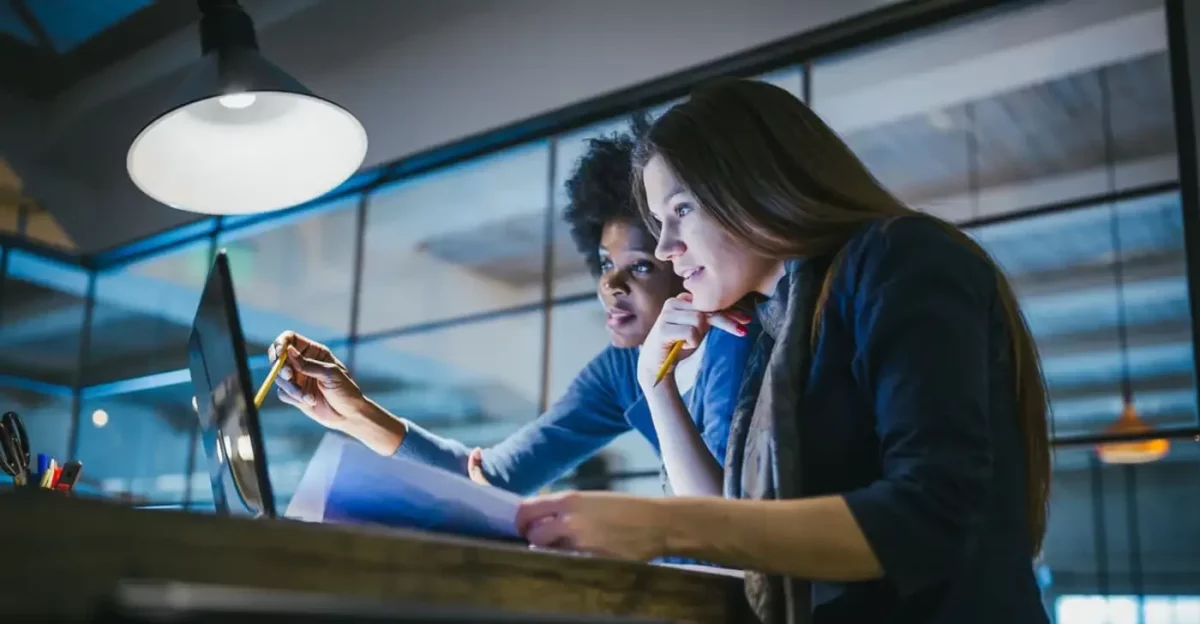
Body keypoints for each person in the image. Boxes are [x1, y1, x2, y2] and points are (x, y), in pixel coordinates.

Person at [514, 79, 1053, 624]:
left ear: (751, 185)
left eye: (682, 210)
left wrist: (661, 525)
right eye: (659, 222)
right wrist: (658, 386)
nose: (664, 247)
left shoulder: (899, 257)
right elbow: (738, 534)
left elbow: (928, 515)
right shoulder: (775, 322)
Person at [270, 121, 755, 497]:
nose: (610, 284)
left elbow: (725, 518)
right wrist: (351, 412)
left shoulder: (736, 341)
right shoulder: (622, 370)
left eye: (641, 266)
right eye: (605, 263)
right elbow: (490, 482)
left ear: (682, 259)